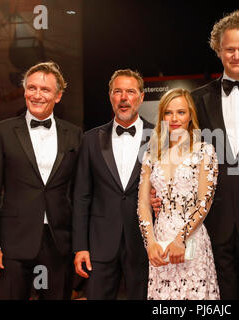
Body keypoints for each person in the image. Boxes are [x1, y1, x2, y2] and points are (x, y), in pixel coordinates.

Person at [152, 10, 239, 300]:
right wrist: (158, 191)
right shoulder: (196, 99)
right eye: (229, 49)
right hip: (208, 222)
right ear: (218, 50)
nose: (236, 55)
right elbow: (173, 153)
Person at [0, 61, 83, 299]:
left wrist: (80, 245)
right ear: (25, 90)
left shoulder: (75, 134)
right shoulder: (1, 132)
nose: (37, 95)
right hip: (11, 245)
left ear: (58, 96)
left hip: (59, 243)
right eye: (32, 88)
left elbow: (80, 194)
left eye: (45, 90)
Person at [72, 69, 153, 300]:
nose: (123, 97)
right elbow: (81, 196)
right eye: (118, 91)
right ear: (110, 96)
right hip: (99, 244)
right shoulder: (90, 139)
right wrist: (80, 246)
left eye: (130, 91)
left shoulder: (160, 136)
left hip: (145, 243)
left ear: (141, 97)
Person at [137, 88, 219, 300]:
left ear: (190, 115)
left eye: (181, 112)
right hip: (160, 244)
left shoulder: (204, 151)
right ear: (162, 116)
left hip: (192, 241)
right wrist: (150, 243)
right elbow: (143, 204)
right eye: (168, 113)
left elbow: (205, 202)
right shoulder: (151, 153)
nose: (174, 118)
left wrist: (180, 239)